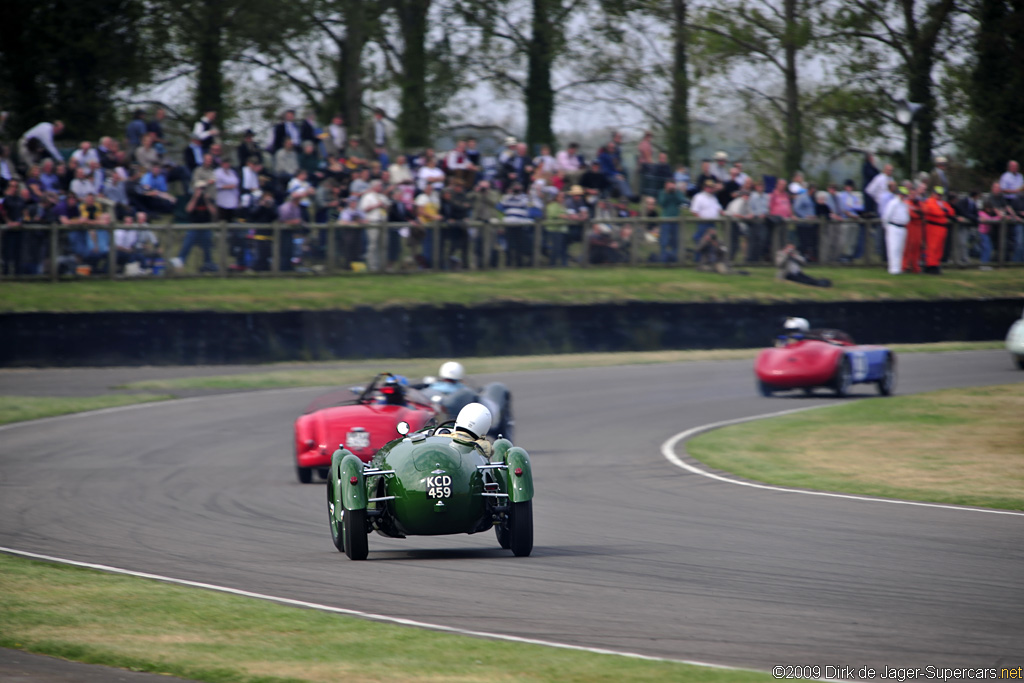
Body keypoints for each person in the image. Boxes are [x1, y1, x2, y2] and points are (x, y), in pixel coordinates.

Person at [920, 185, 954, 274]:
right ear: (933, 193)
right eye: (938, 194)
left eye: (941, 194)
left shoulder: (942, 203)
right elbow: (934, 211)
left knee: (939, 248)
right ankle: (930, 266)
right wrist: (944, 211)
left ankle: (935, 265)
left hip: (942, 228)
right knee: (932, 247)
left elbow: (951, 211)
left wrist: (944, 210)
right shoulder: (929, 201)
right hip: (932, 227)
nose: (939, 196)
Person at [882, 183, 912, 275]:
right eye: (902, 195)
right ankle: (893, 269)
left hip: (903, 227)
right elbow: (886, 216)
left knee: (900, 248)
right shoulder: (893, 203)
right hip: (893, 227)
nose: (904, 197)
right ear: (899, 194)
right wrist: (887, 227)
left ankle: (898, 268)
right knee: (893, 248)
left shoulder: (904, 204)